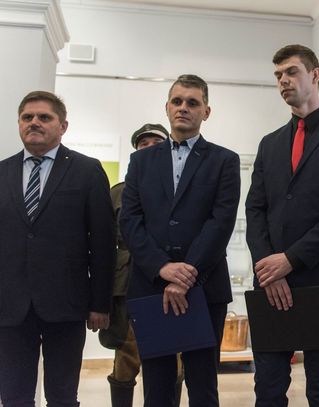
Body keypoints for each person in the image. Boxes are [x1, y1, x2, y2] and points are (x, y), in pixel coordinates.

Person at [245, 44, 319, 407]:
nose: (283, 80)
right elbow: (255, 209)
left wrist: (291, 259)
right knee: (267, 388)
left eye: (291, 72)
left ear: (315, 75)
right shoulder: (269, 144)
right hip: (270, 284)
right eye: (278, 75)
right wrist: (269, 269)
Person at [119, 74, 241, 407]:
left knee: (203, 387)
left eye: (192, 102)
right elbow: (130, 220)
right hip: (151, 286)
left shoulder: (224, 160)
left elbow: (221, 222)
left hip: (203, 286)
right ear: (167, 107)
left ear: (206, 111)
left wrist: (186, 273)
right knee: (156, 388)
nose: (183, 108)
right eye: (177, 101)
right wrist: (162, 267)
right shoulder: (141, 161)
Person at [0, 90, 116, 406]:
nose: (34, 122)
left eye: (44, 117)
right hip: (10, 307)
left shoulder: (87, 171)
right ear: (19, 123)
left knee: (62, 396)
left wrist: (100, 303)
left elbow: (103, 242)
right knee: (13, 396)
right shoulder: (2, 172)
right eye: (27, 117)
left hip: (67, 303)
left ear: (63, 126)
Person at [99, 123, 184, 407]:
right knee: (126, 354)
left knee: (173, 355)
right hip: (126, 282)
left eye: (156, 143)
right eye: (143, 144)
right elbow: (103, 242)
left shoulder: (180, 186)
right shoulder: (118, 192)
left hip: (169, 280)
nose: (148, 148)